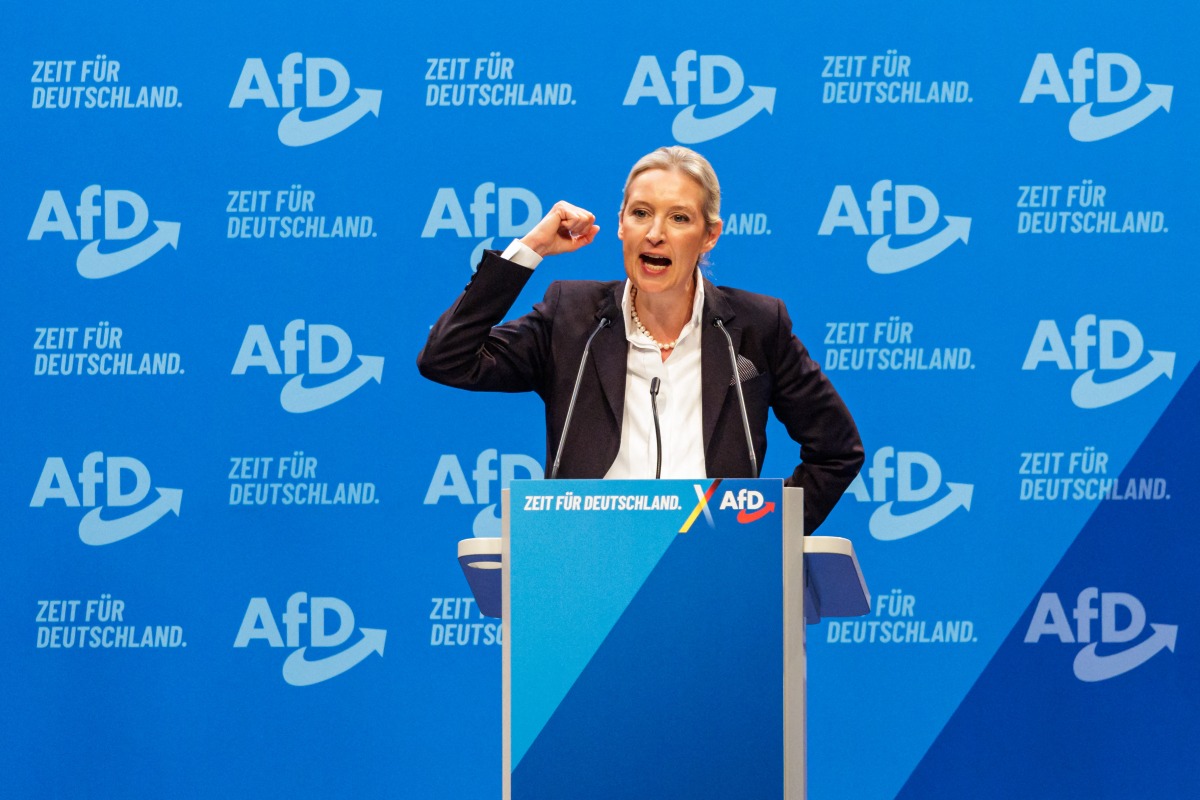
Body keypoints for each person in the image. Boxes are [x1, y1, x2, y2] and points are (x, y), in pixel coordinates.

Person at [418, 146, 862, 533]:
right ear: (621, 225)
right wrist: (530, 249)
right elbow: (447, 358)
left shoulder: (757, 327)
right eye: (641, 213)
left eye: (679, 218)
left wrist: (765, 531)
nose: (655, 233)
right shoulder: (571, 318)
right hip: (588, 567)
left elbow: (837, 450)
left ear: (710, 236)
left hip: (714, 571)